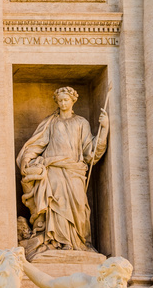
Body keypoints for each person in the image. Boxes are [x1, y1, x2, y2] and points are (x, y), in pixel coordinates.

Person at [17, 87, 108, 254]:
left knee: (79, 206)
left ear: (73, 101)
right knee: (55, 205)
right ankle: (56, 241)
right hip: (53, 169)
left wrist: (104, 129)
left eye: (66, 100)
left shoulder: (81, 123)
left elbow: (90, 151)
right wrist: (27, 158)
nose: (63, 103)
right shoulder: (51, 122)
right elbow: (37, 144)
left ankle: (77, 242)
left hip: (74, 171)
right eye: (60, 101)